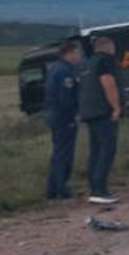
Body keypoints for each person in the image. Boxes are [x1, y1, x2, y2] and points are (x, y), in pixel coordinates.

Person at [79, 36, 123, 204]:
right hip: (103, 112)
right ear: (109, 47)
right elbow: (108, 84)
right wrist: (116, 107)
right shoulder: (105, 61)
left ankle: (94, 188)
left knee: (95, 151)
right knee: (107, 149)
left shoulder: (87, 63)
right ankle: (100, 190)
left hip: (89, 112)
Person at [44, 40, 82, 200]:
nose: (79, 56)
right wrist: (73, 116)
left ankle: (52, 189)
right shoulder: (65, 72)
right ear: (69, 53)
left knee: (57, 153)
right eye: (77, 53)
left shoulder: (55, 68)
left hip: (54, 115)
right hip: (64, 118)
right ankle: (61, 188)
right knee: (64, 154)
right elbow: (66, 99)